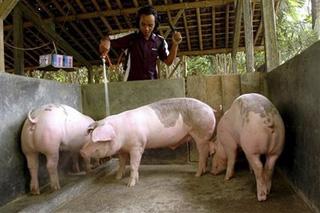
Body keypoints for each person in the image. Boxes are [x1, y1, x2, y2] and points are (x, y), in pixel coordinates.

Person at [99, 5, 182, 81]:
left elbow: (169, 61)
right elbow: (107, 39)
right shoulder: (130, 37)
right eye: (143, 24)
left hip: (152, 85)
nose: (146, 28)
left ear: (155, 24)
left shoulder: (160, 41)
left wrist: (175, 44)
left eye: (150, 25)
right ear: (138, 22)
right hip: (131, 84)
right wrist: (105, 42)